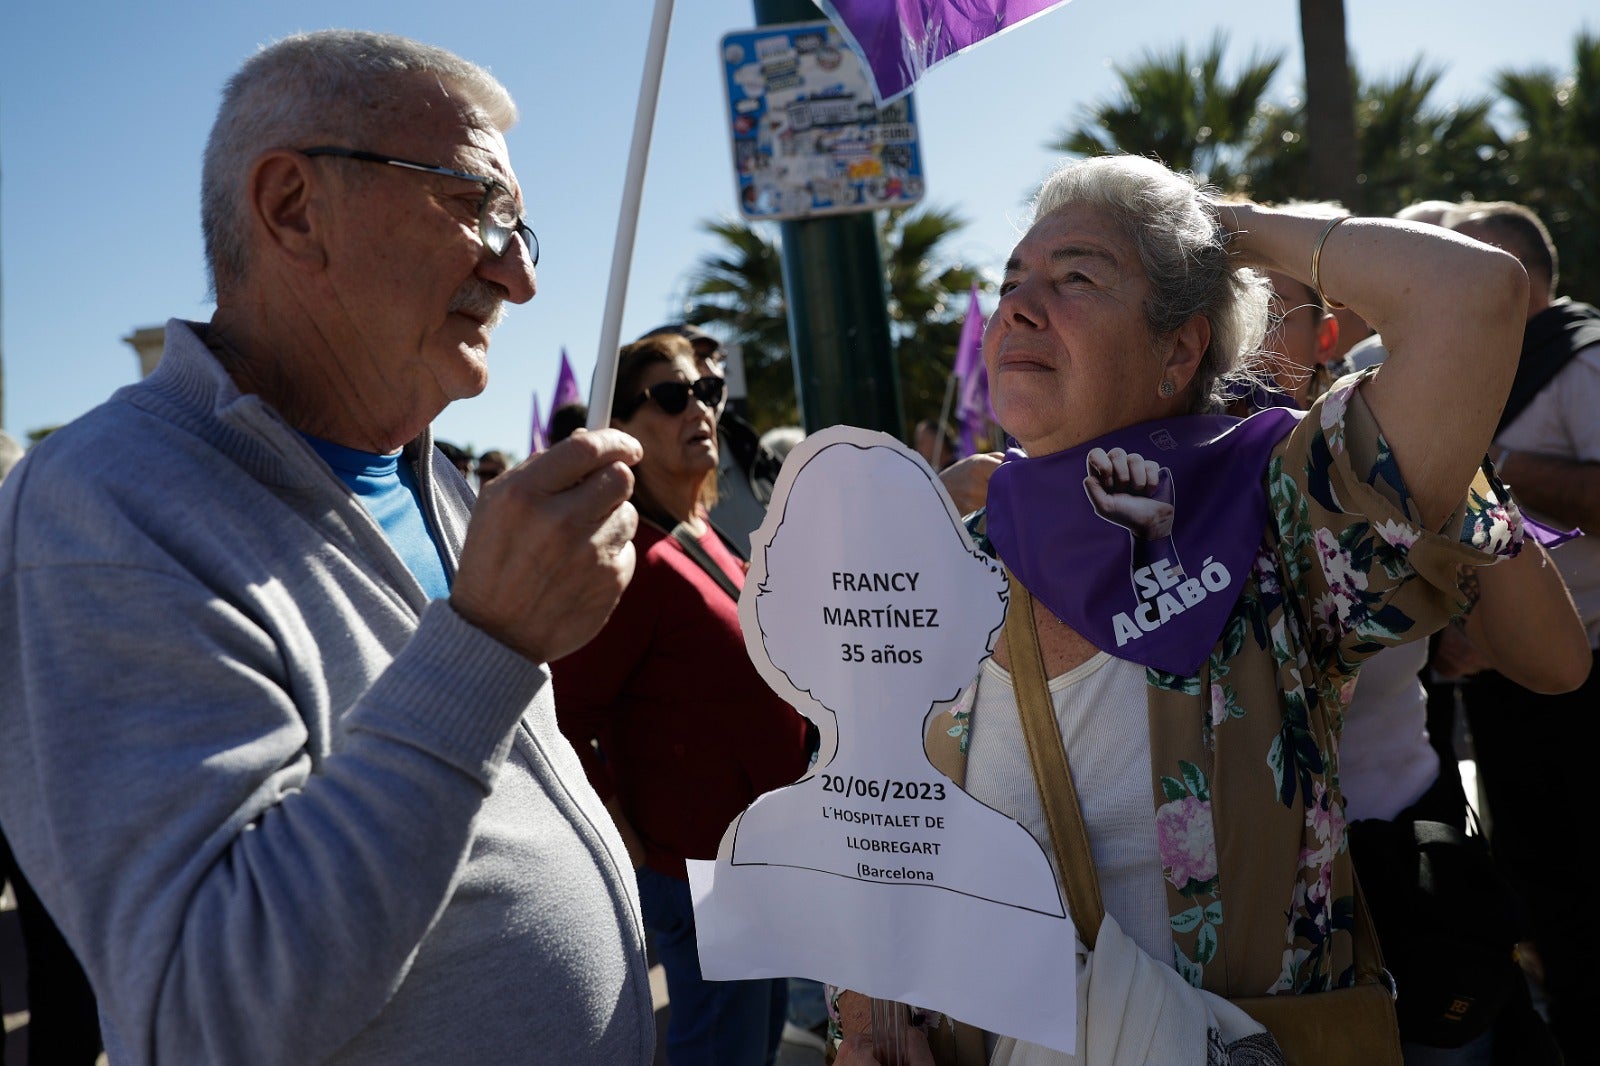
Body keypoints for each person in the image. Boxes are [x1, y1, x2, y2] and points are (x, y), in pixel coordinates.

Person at [0, 30, 654, 1065]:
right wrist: (487, 643)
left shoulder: (423, 472)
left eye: (523, 226)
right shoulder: (105, 506)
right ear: (294, 208)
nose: (518, 274)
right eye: (478, 207)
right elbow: (209, 1011)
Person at [833, 153, 1528, 1064]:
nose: (1018, 306)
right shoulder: (944, 561)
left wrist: (1224, 225)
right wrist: (871, 1027)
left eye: (1076, 276)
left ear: (1179, 348)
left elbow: (1477, 298)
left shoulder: (1277, 518)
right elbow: (871, 835)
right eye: (1011, 281)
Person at [1246, 265, 1582, 1065]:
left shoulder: (1389, 452)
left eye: (1268, 307)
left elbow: (1555, 663)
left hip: (1407, 896)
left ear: (1327, 335)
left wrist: (1456, 463)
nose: (1240, 336)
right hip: (1224, 938)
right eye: (1208, 301)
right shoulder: (1116, 479)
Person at [552, 332, 813, 1066]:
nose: (698, 407)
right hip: (701, 870)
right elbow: (563, 716)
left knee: (753, 1050)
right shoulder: (626, 555)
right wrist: (627, 844)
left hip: (756, 857)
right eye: (671, 395)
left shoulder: (705, 534)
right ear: (623, 427)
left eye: (707, 391)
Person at [1440, 200, 1600, 1061]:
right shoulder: (1483, 368)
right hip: (1504, 682)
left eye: (1461, 263)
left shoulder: (1584, 360)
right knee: (1538, 876)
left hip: (1587, 678)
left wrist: (1494, 463)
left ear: (1516, 278)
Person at [638, 322, 783, 559]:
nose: (708, 371)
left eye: (714, 359)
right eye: (693, 358)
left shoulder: (759, 455)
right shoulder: (639, 486)